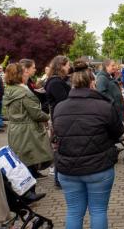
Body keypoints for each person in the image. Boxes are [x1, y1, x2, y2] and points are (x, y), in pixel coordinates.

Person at [53, 60, 124, 229]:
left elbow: (56, 135)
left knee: (73, 211)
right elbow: (118, 133)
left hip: (68, 168)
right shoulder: (104, 106)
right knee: (98, 210)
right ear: (92, 83)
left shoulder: (59, 108)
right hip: (98, 167)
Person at [3, 63, 53, 179]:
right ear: (19, 74)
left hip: (15, 127)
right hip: (27, 129)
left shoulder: (9, 89)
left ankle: (31, 176)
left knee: (22, 154)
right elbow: (35, 113)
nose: (26, 73)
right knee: (30, 154)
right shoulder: (23, 92)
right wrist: (49, 117)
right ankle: (29, 185)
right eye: (23, 72)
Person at [45, 55, 72, 187]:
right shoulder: (55, 83)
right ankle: (59, 180)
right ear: (61, 66)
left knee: (60, 149)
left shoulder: (56, 81)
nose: (69, 67)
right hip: (60, 120)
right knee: (60, 150)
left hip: (59, 118)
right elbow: (64, 101)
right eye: (67, 65)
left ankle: (60, 179)